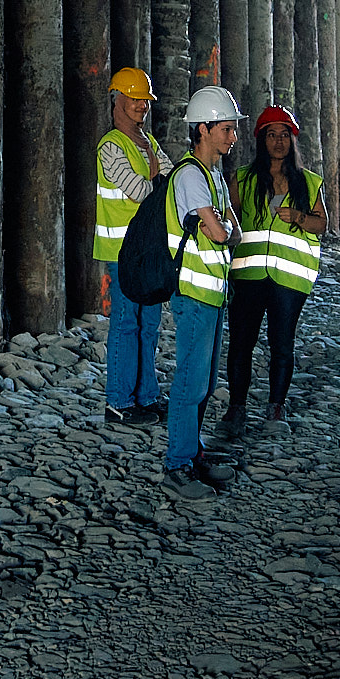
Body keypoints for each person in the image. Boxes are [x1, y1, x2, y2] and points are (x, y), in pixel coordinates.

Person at [160, 88, 246, 485]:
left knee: (206, 382)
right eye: (227, 129)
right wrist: (224, 230)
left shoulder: (214, 176)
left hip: (212, 294)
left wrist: (224, 231)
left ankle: (193, 455)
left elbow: (234, 233)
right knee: (191, 381)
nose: (232, 137)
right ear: (204, 129)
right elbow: (218, 231)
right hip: (194, 295)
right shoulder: (192, 175)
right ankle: (178, 464)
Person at [225, 103, 323, 426]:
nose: (278, 141)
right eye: (271, 135)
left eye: (284, 135)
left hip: (289, 280)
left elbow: (321, 224)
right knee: (242, 342)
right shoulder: (241, 179)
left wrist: (298, 217)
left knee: (282, 344)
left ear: (293, 140)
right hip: (248, 275)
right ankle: (236, 407)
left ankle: (275, 407)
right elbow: (231, 221)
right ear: (261, 140)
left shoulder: (309, 183)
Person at [91, 65, 165, 422]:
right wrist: (156, 180)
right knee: (125, 324)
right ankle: (118, 403)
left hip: (147, 252)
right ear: (117, 99)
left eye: (144, 100)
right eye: (134, 99)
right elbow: (139, 190)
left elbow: (168, 183)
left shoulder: (148, 143)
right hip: (120, 252)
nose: (141, 106)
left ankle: (146, 396)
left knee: (149, 324)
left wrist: (155, 181)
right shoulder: (110, 146)